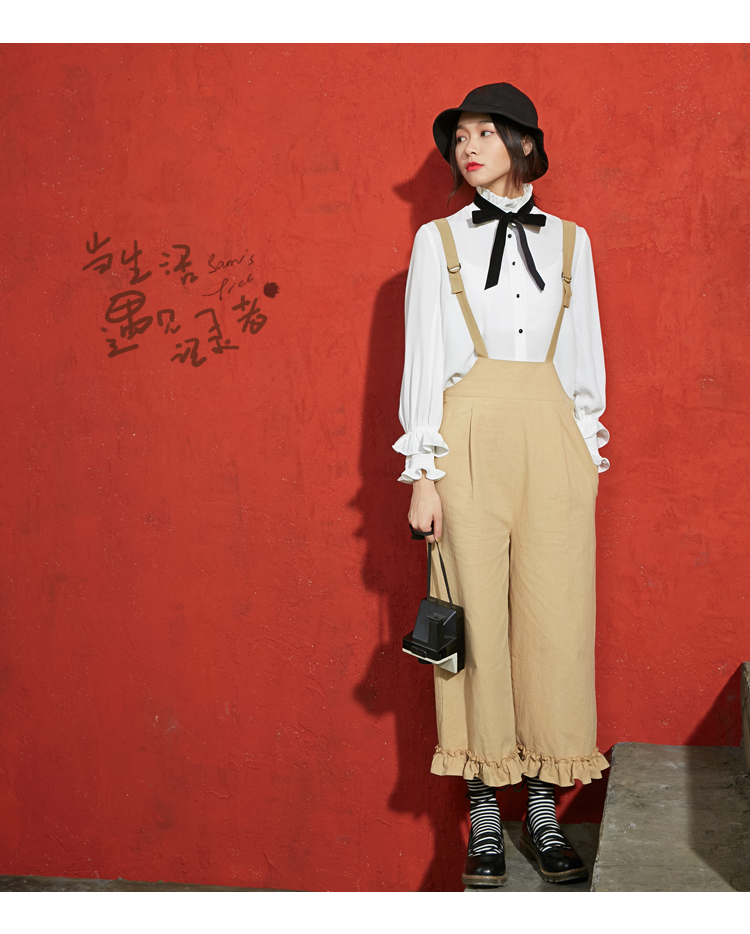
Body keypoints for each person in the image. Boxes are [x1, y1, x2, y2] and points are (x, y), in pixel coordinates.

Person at [394, 83, 610, 888]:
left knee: (558, 627)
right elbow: (423, 358)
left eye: (485, 133)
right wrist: (423, 473)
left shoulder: (573, 243)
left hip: (554, 440)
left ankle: (544, 810)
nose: (469, 148)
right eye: (460, 137)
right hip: (468, 442)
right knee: (475, 627)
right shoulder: (438, 240)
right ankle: (486, 811)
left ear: (523, 143)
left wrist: (587, 453)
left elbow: (584, 357)